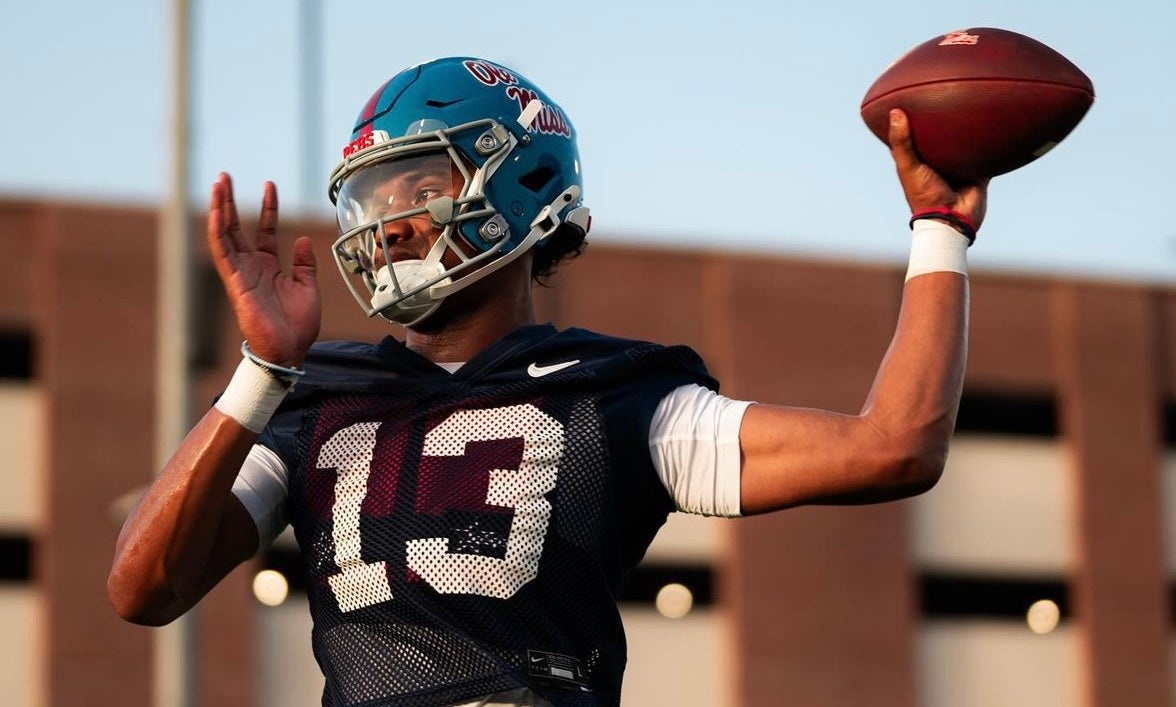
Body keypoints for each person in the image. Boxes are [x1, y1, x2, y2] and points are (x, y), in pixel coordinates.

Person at [107, 56, 986, 707]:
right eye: (372, 201)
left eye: (417, 184)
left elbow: (895, 445)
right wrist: (261, 373)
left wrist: (937, 226)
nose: (390, 225)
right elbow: (141, 589)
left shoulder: (615, 395)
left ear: (522, 183)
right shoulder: (316, 402)